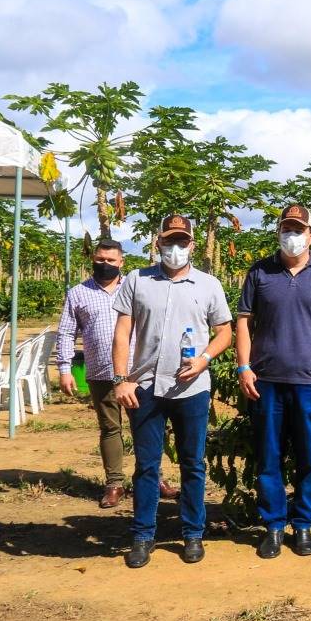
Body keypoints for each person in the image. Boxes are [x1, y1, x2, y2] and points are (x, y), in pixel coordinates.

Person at [111, 215, 233, 568]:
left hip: (192, 387)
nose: (175, 248)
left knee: (192, 463)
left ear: (192, 244)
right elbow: (122, 331)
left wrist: (205, 359)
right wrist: (121, 379)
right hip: (145, 386)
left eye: (182, 241)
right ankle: (143, 535)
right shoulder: (137, 280)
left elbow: (224, 331)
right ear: (158, 243)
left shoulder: (208, 285)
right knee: (147, 465)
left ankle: (193, 532)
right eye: (169, 241)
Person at [235, 204, 311, 559]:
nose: (292, 236)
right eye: (287, 229)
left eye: (299, 230)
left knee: (308, 458)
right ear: (278, 233)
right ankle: (272, 526)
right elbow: (243, 322)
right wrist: (244, 367)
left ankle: (302, 524)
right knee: (269, 458)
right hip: (267, 381)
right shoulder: (260, 272)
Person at [59, 239, 184, 508]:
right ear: (93, 259)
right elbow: (67, 333)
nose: (105, 264)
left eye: (111, 260)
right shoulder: (78, 293)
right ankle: (114, 483)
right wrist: (64, 369)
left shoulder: (136, 286)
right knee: (109, 428)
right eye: (101, 259)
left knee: (147, 428)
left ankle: (155, 478)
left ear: (121, 262)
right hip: (100, 371)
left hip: (137, 372)